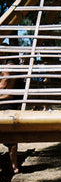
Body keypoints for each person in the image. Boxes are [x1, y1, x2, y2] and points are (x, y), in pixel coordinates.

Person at [0, 46, 20, 174]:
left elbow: (4, 84)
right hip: (8, 101)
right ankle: (14, 165)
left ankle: (14, 166)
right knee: (11, 137)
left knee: (10, 137)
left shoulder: (8, 67)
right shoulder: (10, 66)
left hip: (6, 102)